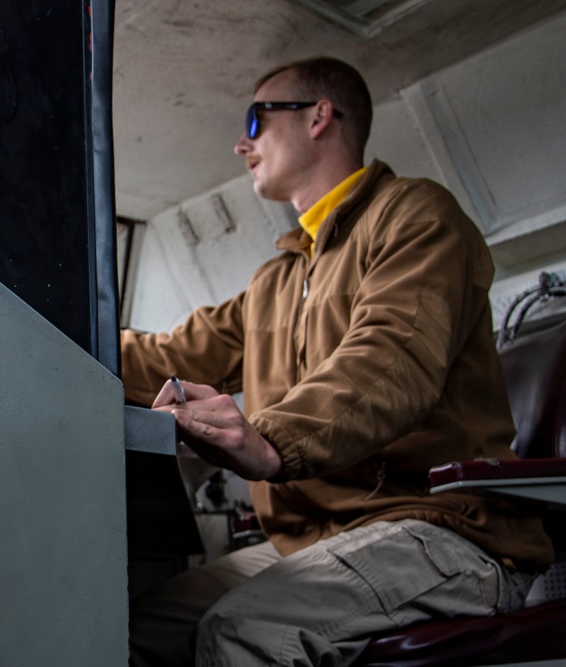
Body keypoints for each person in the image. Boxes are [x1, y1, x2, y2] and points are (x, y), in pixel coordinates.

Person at [120, 56, 554, 666]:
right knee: (131, 633)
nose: (242, 143)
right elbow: (168, 355)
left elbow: (390, 358)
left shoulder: (416, 216)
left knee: (242, 629)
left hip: (442, 529)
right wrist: (58, 328)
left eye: (257, 119)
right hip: (314, 537)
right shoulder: (276, 280)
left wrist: (267, 438)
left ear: (320, 116)